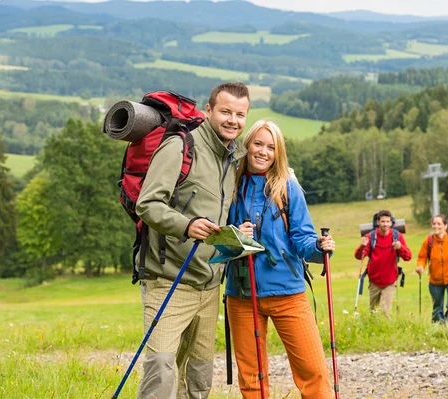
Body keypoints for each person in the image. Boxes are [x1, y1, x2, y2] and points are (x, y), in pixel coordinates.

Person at [135, 82, 251, 398]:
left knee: (197, 378)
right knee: (161, 370)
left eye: (240, 114)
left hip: (209, 286)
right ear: (209, 111)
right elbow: (147, 204)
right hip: (168, 281)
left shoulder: (233, 156)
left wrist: (237, 234)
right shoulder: (179, 147)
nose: (233, 120)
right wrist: (187, 226)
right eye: (226, 111)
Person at [225, 120, 335, 398]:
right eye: (258, 144)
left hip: (288, 293)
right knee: (252, 378)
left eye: (271, 147)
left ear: (278, 152)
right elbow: (217, 239)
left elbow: (302, 238)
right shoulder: (228, 185)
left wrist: (319, 248)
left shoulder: (288, 187)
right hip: (240, 294)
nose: (263, 152)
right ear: (247, 144)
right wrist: (234, 235)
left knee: (313, 372)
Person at [354, 210, 412, 315]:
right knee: (373, 312)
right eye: (383, 221)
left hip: (390, 281)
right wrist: (362, 246)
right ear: (378, 222)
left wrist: (400, 247)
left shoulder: (397, 236)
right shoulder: (370, 237)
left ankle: (387, 330)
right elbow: (359, 256)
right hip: (374, 281)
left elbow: (408, 257)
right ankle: (375, 331)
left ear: (391, 223)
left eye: (387, 221)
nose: (385, 224)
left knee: (385, 312)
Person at [415, 214, 448, 323]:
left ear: (445, 226)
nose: (436, 226)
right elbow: (422, 257)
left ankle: (447, 326)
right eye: (434, 224)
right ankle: (438, 328)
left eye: (439, 224)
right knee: (437, 309)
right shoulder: (429, 241)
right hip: (435, 280)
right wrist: (420, 267)